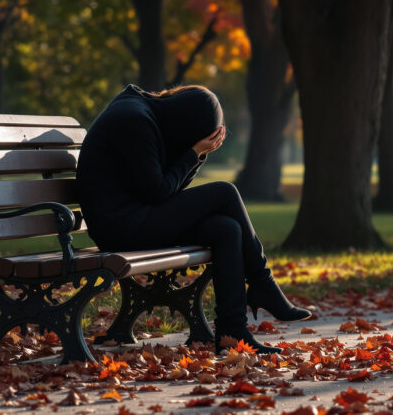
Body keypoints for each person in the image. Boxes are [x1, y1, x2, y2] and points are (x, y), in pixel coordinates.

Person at [76, 84, 310, 354]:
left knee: (226, 229)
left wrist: (196, 155)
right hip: (120, 227)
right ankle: (262, 283)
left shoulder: (146, 114)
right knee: (225, 192)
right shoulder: (135, 120)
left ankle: (232, 331)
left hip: (135, 217)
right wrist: (193, 153)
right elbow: (159, 192)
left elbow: (167, 190)